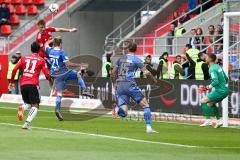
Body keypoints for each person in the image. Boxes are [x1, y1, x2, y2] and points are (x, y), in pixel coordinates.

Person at [111, 41, 157, 133]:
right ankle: (148, 128)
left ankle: (117, 109)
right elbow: (146, 72)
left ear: (127, 49)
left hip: (119, 85)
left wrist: (114, 84)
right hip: (129, 84)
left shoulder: (120, 59)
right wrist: (154, 80)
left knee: (124, 112)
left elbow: (113, 73)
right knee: (145, 105)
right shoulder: (137, 60)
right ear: (135, 50)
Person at [45, 38, 93, 121]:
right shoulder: (61, 52)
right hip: (64, 73)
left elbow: (45, 44)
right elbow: (68, 63)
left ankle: (57, 109)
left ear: (53, 43)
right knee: (78, 74)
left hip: (56, 75)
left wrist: (51, 40)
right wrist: (80, 64)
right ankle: (84, 90)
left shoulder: (50, 50)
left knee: (59, 93)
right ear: (60, 44)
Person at [9, 42, 51, 129]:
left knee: (28, 104)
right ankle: (27, 123)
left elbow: (14, 69)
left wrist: (12, 82)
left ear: (31, 49)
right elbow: (47, 74)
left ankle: (22, 107)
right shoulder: (41, 60)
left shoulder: (24, 58)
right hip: (33, 84)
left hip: (23, 84)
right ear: (39, 50)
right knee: (35, 105)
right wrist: (49, 78)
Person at [199, 53, 229, 128]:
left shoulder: (212, 68)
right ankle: (218, 121)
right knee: (210, 104)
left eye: (206, 58)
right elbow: (226, 78)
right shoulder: (218, 66)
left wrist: (207, 87)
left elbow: (215, 81)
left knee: (203, 101)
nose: (205, 59)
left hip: (220, 91)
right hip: (225, 90)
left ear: (210, 59)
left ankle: (208, 121)